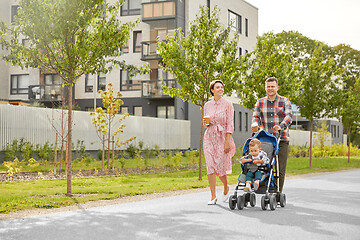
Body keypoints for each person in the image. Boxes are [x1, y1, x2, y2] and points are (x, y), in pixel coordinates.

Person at [252, 77, 292, 193]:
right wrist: (255, 124)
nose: (270, 89)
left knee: (280, 168)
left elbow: (288, 117)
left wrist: (281, 126)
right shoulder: (260, 102)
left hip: (281, 138)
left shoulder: (284, 101)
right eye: (268, 86)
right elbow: (255, 117)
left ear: (277, 87)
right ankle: (263, 188)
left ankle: (277, 192)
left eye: (272, 86)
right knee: (263, 165)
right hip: (265, 140)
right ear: (265, 88)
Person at [203, 80, 236, 205]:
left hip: (222, 138)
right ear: (212, 90)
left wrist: (227, 142)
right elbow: (206, 123)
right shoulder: (207, 105)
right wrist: (206, 123)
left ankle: (226, 187)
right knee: (210, 166)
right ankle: (213, 196)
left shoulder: (228, 104)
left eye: (222, 87)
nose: (220, 89)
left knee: (220, 167)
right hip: (209, 137)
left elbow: (230, 124)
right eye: (218, 87)